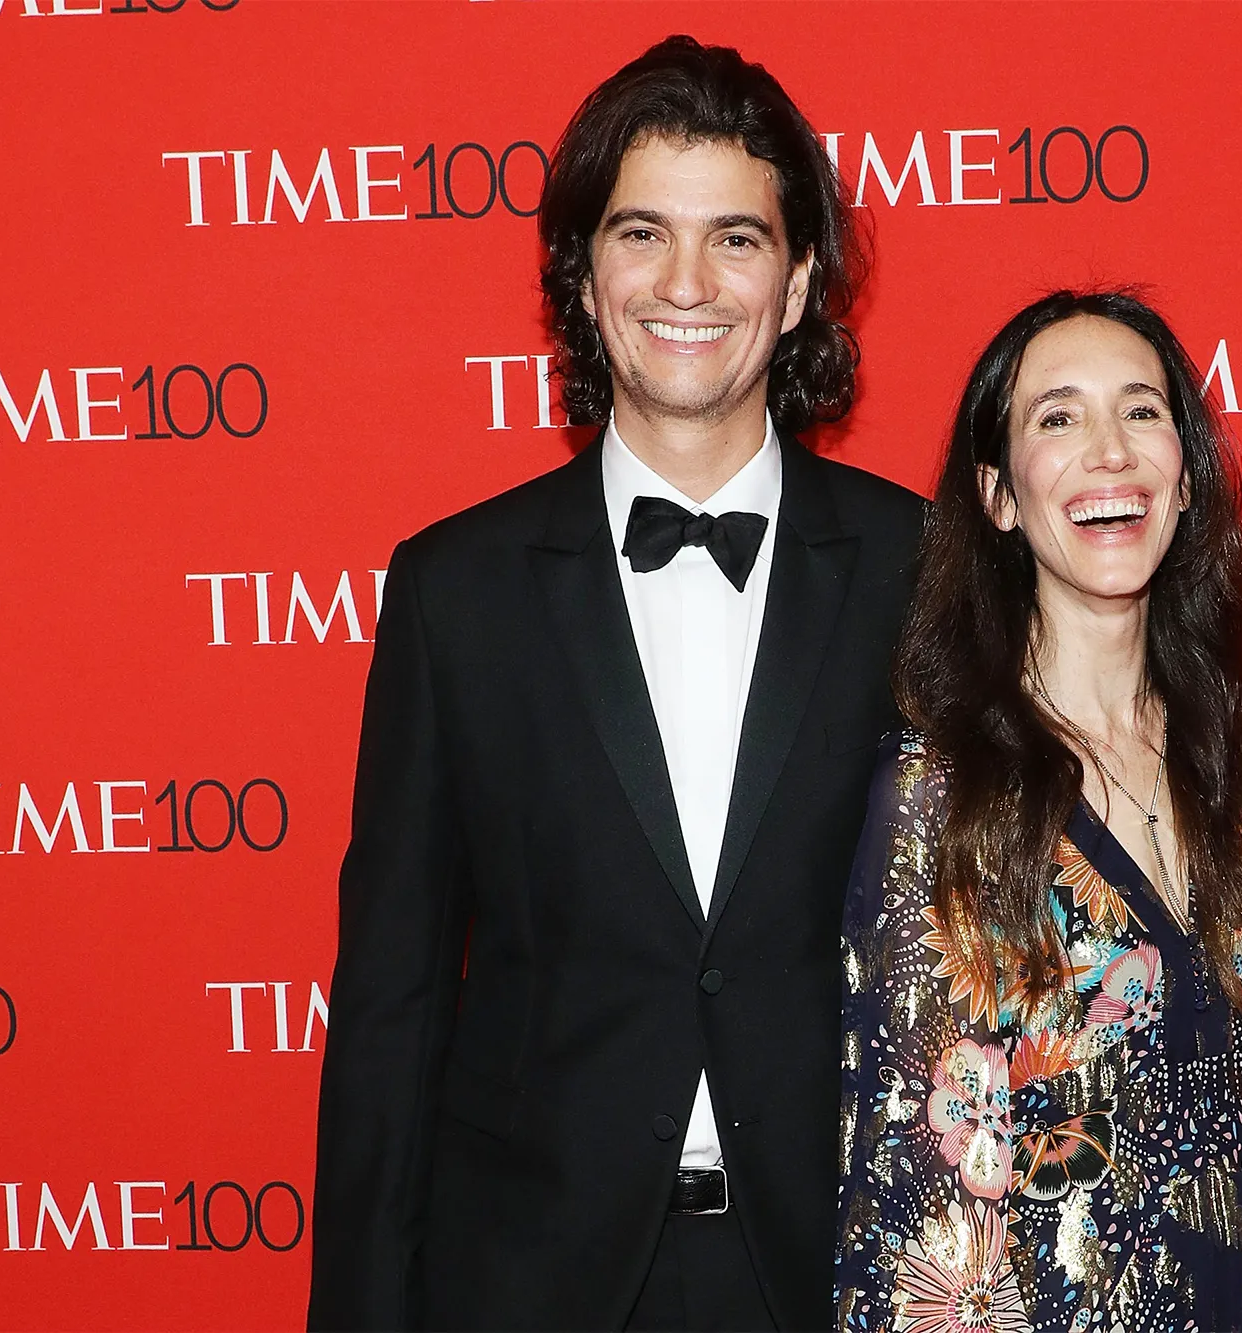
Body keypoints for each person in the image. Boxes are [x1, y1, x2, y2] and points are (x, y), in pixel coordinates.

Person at [307, 37, 925, 1331]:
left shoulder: (922, 572)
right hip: (528, 1280)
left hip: (843, 1272)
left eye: (735, 239)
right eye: (642, 233)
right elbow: (390, 1008)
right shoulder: (454, 590)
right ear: (583, 277)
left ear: (797, 284)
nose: (685, 283)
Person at [833, 291, 1242, 1332]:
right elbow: (921, 1174)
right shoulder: (941, 790)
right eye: (1058, 417)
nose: (1109, 452)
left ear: (1184, 477)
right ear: (999, 495)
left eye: (1141, 411)